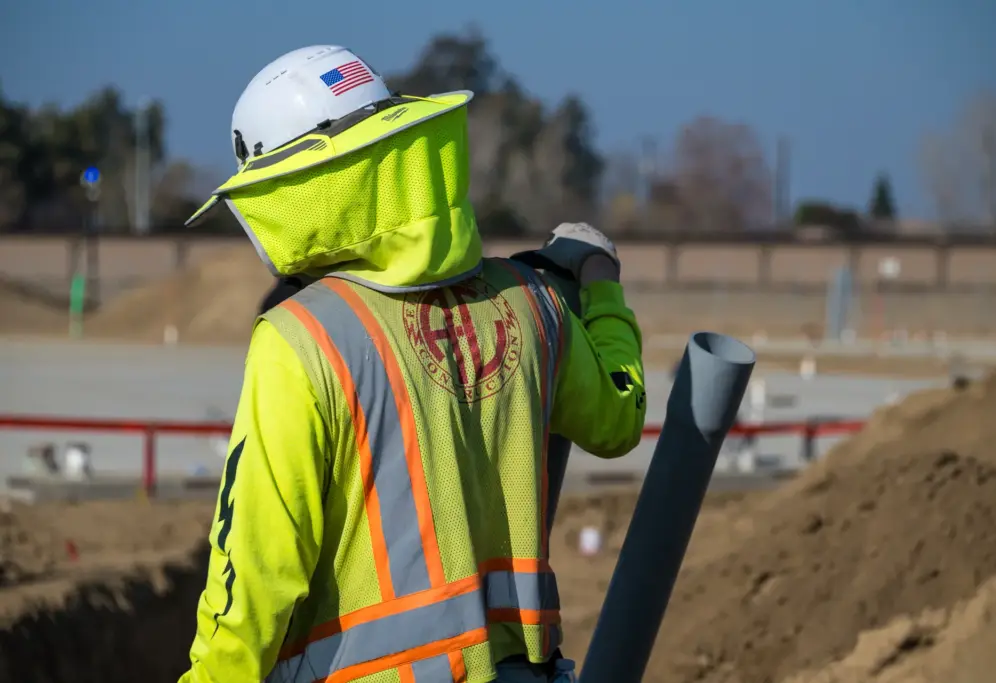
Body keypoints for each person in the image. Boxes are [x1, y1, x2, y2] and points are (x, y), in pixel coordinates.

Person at [178, 45, 646, 683]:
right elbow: (620, 416)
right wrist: (601, 287)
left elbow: (256, 571)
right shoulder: (532, 302)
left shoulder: (301, 339)